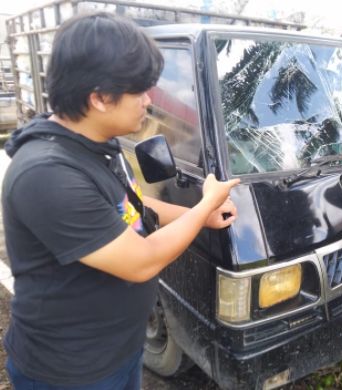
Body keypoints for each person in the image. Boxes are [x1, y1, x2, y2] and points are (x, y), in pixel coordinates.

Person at [1, 12, 239, 389]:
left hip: (119, 351)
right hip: (71, 371)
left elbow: (133, 208)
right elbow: (141, 262)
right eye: (140, 91)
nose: (149, 101)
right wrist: (202, 204)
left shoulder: (98, 146)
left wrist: (204, 212)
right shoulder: (47, 175)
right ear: (99, 98)